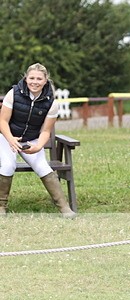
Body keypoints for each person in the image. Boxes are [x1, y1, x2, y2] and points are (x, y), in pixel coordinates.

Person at [0, 63, 75, 218]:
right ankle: (1, 207)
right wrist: (11, 140)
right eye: (32, 78)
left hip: (31, 140)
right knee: (8, 165)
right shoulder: (13, 93)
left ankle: (65, 208)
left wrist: (38, 146)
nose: (35, 81)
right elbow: (2, 122)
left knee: (43, 167)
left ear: (45, 80)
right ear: (26, 78)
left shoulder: (51, 103)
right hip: (7, 137)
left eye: (39, 78)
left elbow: (46, 131)